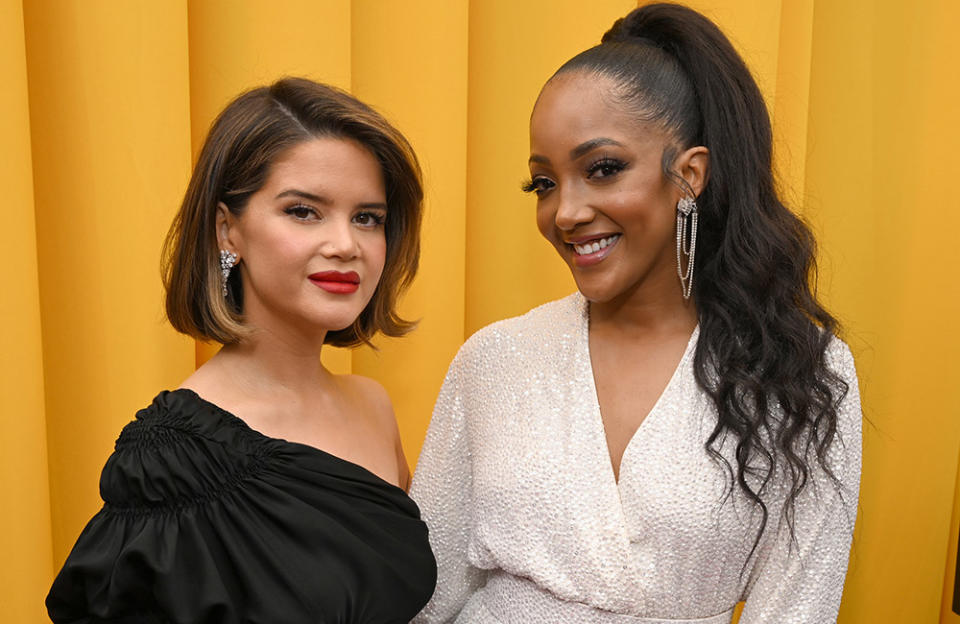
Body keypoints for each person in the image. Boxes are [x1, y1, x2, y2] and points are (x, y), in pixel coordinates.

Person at [411, 4, 861, 623]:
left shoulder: (803, 372)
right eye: (543, 183)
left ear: (689, 175)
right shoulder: (492, 360)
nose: (564, 212)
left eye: (603, 169)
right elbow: (428, 595)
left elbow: (797, 609)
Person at [46, 77, 436, 623]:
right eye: (304, 211)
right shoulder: (171, 460)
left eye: (367, 217)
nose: (346, 245)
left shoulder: (372, 405)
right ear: (228, 230)